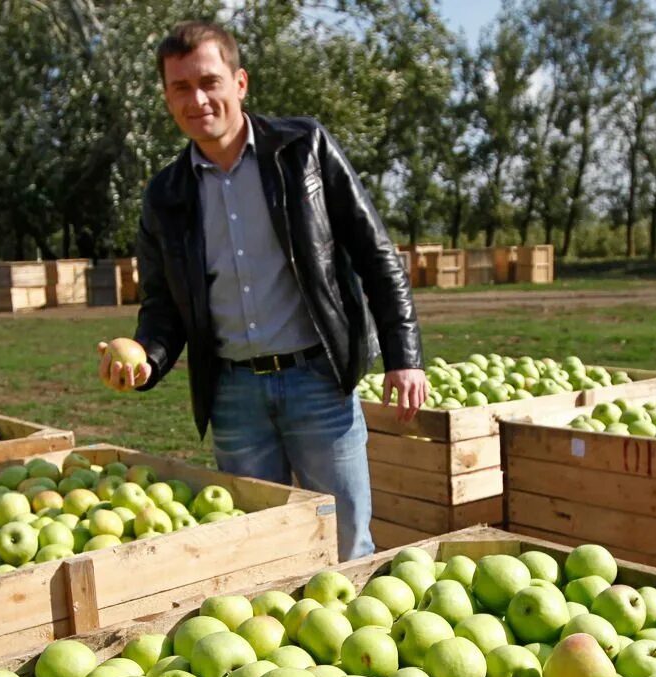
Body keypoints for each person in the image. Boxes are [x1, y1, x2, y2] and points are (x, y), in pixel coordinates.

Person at [96, 19, 425, 559]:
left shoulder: (304, 149)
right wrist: (146, 360)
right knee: (260, 550)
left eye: (209, 82)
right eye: (181, 88)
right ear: (166, 98)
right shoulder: (165, 195)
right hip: (233, 396)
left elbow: (374, 252)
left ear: (239, 82)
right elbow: (162, 305)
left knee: (348, 544)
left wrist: (403, 354)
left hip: (317, 382)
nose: (197, 99)